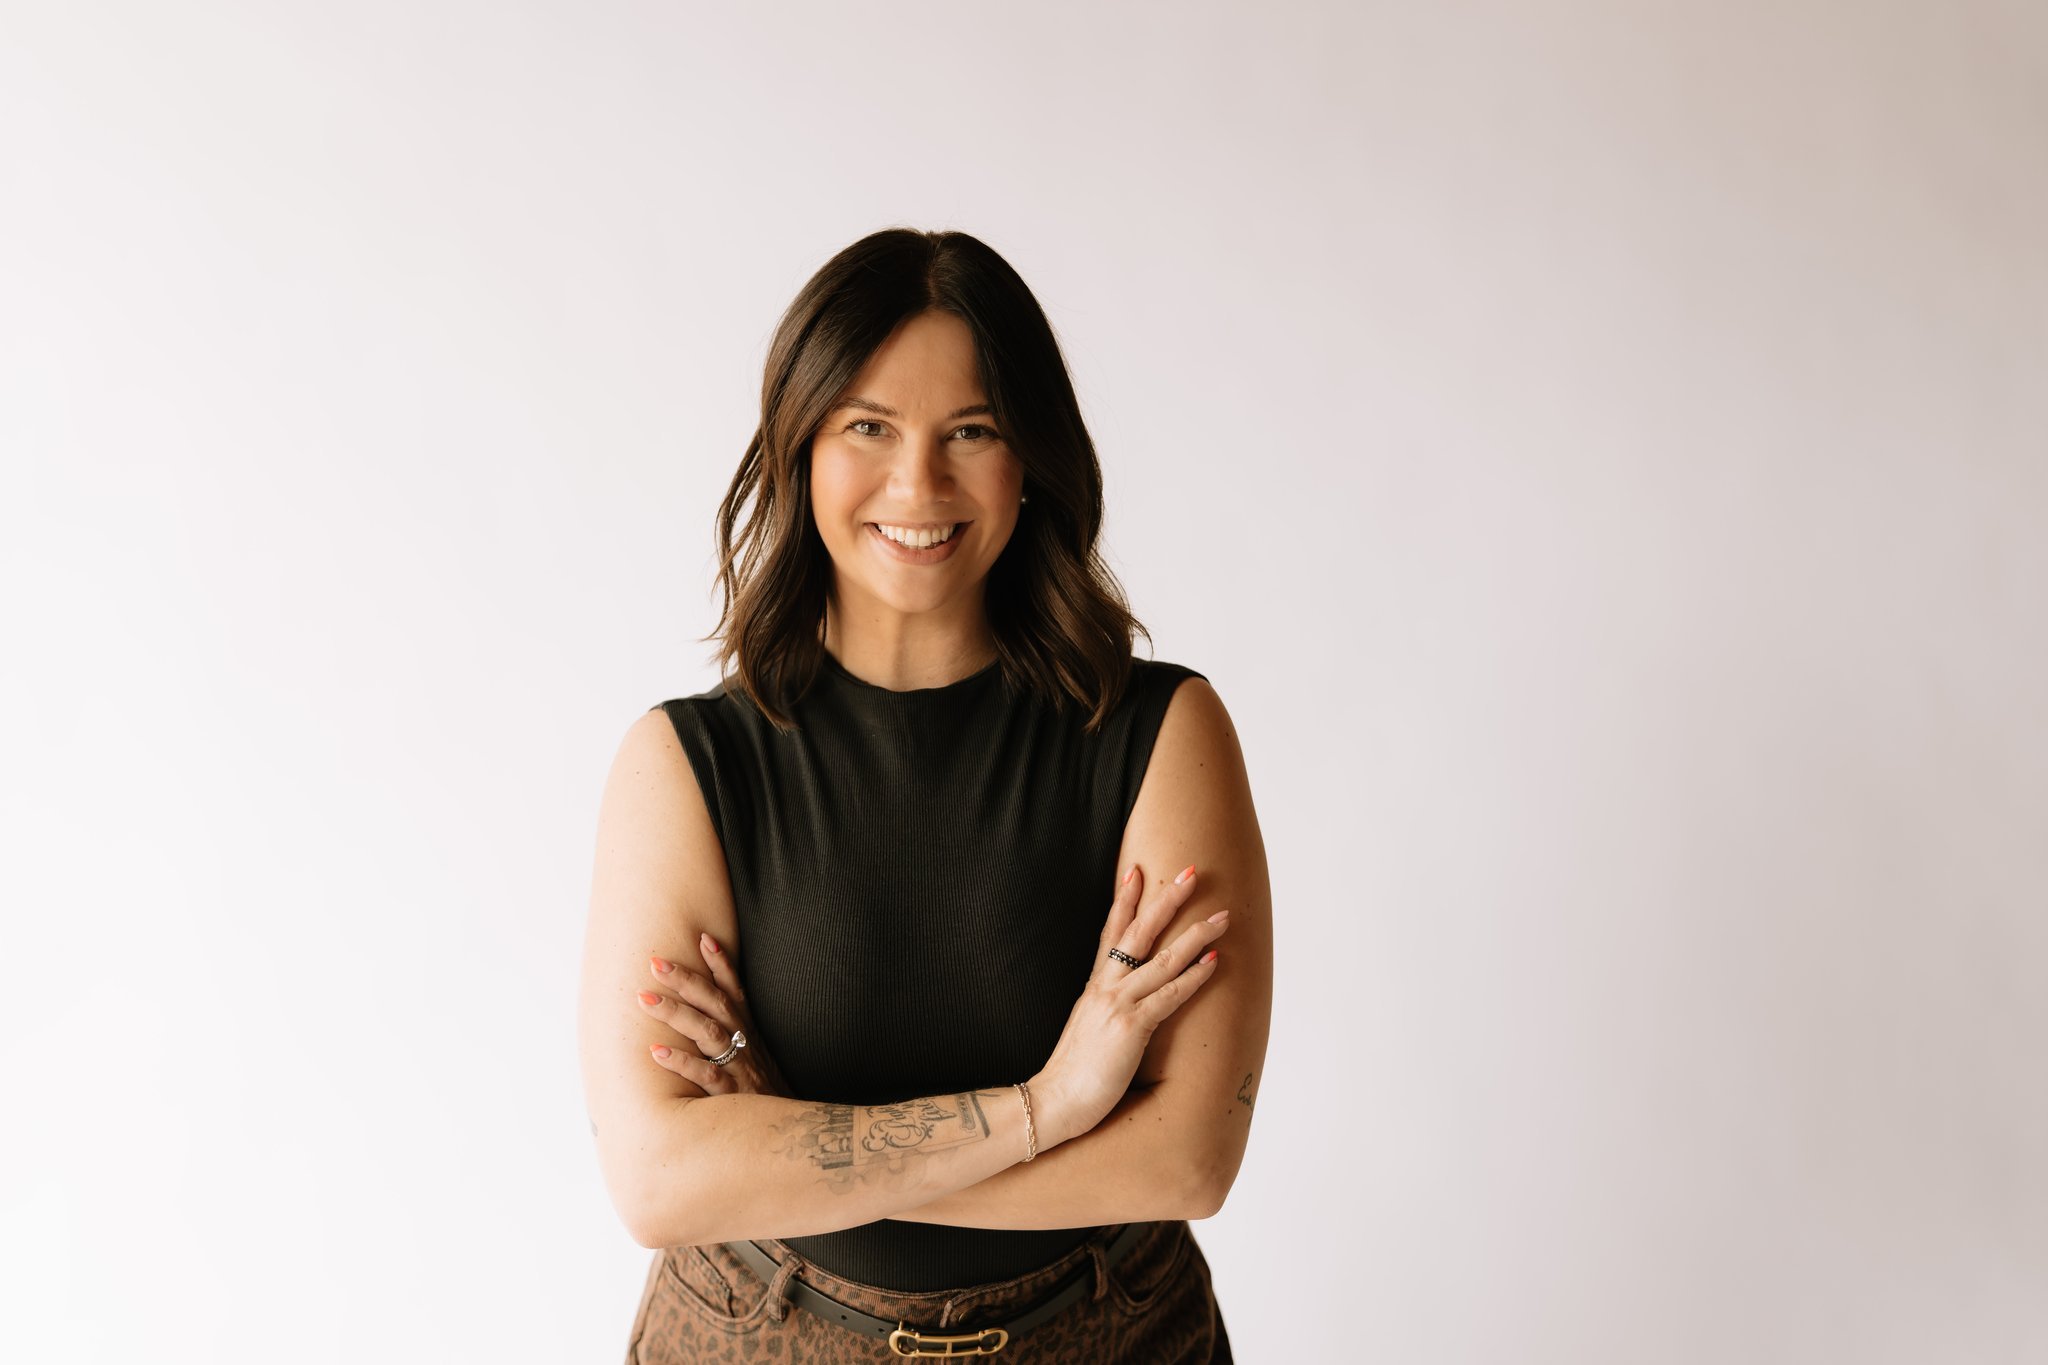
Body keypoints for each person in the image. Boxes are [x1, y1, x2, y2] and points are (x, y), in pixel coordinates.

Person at [578, 227, 1272, 1362]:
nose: (918, 484)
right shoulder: (688, 764)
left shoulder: (1158, 735)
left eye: (971, 432)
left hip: (1102, 1336)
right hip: (762, 1336)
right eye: (868, 428)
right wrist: (1048, 1109)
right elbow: (658, 1183)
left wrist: (793, 1158)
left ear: (1029, 459)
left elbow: (1186, 1160)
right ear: (799, 445)